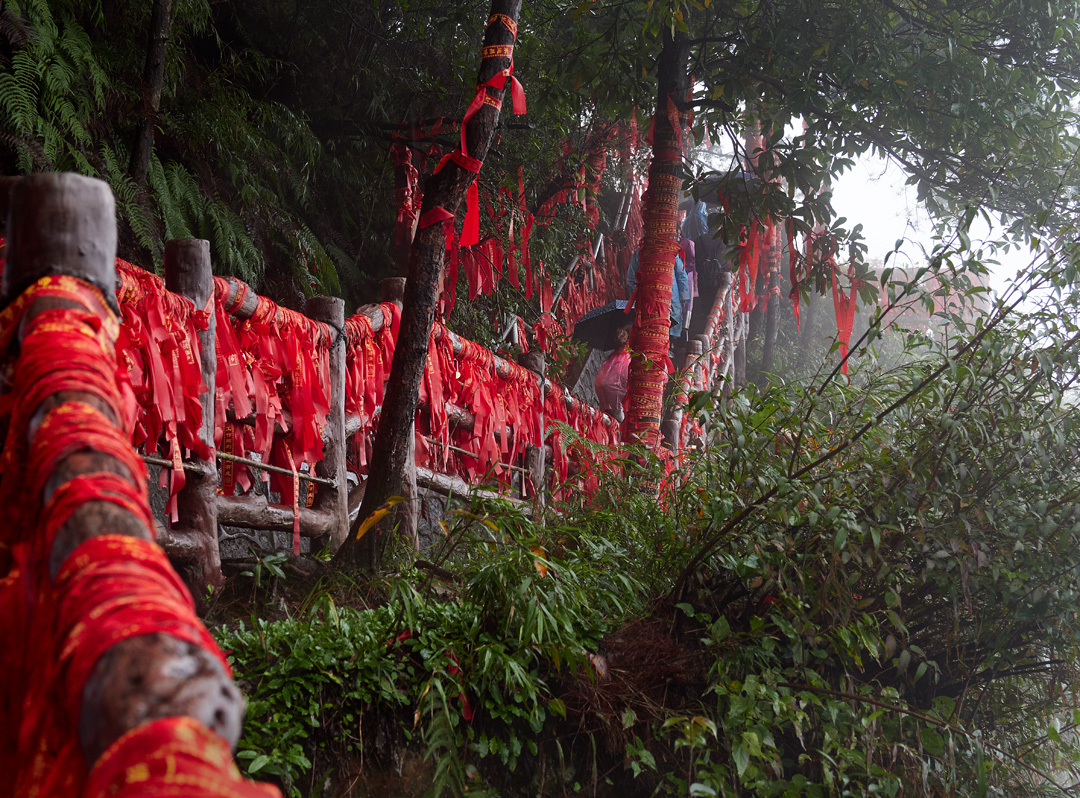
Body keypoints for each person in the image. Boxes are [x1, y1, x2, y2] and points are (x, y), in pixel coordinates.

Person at [625, 248, 691, 338]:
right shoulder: (639, 253)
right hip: (652, 302)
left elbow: (681, 276)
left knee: (665, 332)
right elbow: (631, 278)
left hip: (667, 301)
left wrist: (683, 297)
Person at [594, 327, 630, 421]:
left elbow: (600, 383)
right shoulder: (629, 359)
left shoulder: (610, 359)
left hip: (605, 408)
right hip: (621, 412)